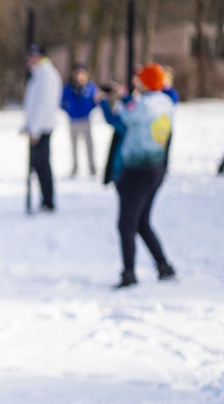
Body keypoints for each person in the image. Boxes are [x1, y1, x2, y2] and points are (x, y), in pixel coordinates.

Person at [97, 63, 176, 288]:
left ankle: (129, 273)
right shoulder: (166, 102)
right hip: (156, 169)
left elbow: (119, 119)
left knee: (127, 224)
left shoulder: (141, 105)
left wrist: (107, 101)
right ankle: (163, 265)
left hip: (135, 171)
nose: (136, 81)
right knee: (141, 221)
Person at [23, 44, 62, 211]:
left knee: (42, 164)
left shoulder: (46, 74)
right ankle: (45, 198)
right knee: (38, 164)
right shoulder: (39, 74)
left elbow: (43, 104)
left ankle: (48, 199)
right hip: (38, 127)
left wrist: (35, 129)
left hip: (42, 127)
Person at [61, 63, 98, 177]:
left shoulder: (90, 87)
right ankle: (75, 167)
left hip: (85, 120)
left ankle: (92, 167)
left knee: (89, 145)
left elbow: (95, 101)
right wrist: (69, 111)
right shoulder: (69, 88)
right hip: (73, 120)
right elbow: (62, 102)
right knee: (74, 145)